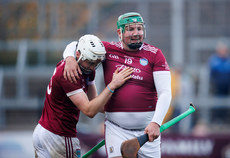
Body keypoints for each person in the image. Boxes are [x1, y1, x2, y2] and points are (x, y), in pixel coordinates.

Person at [63, 12, 172, 158]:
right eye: (130, 29)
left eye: (139, 29)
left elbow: (165, 92)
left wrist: (156, 123)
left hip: (147, 131)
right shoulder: (107, 50)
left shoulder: (155, 54)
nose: (136, 33)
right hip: (116, 129)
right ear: (119, 32)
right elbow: (74, 45)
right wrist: (69, 58)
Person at [32, 34, 133, 158]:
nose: (91, 67)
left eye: (95, 63)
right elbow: (89, 110)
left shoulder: (85, 68)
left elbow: (95, 102)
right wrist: (112, 85)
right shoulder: (70, 74)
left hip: (45, 131)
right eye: (89, 62)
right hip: (59, 136)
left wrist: (126, 113)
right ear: (78, 54)